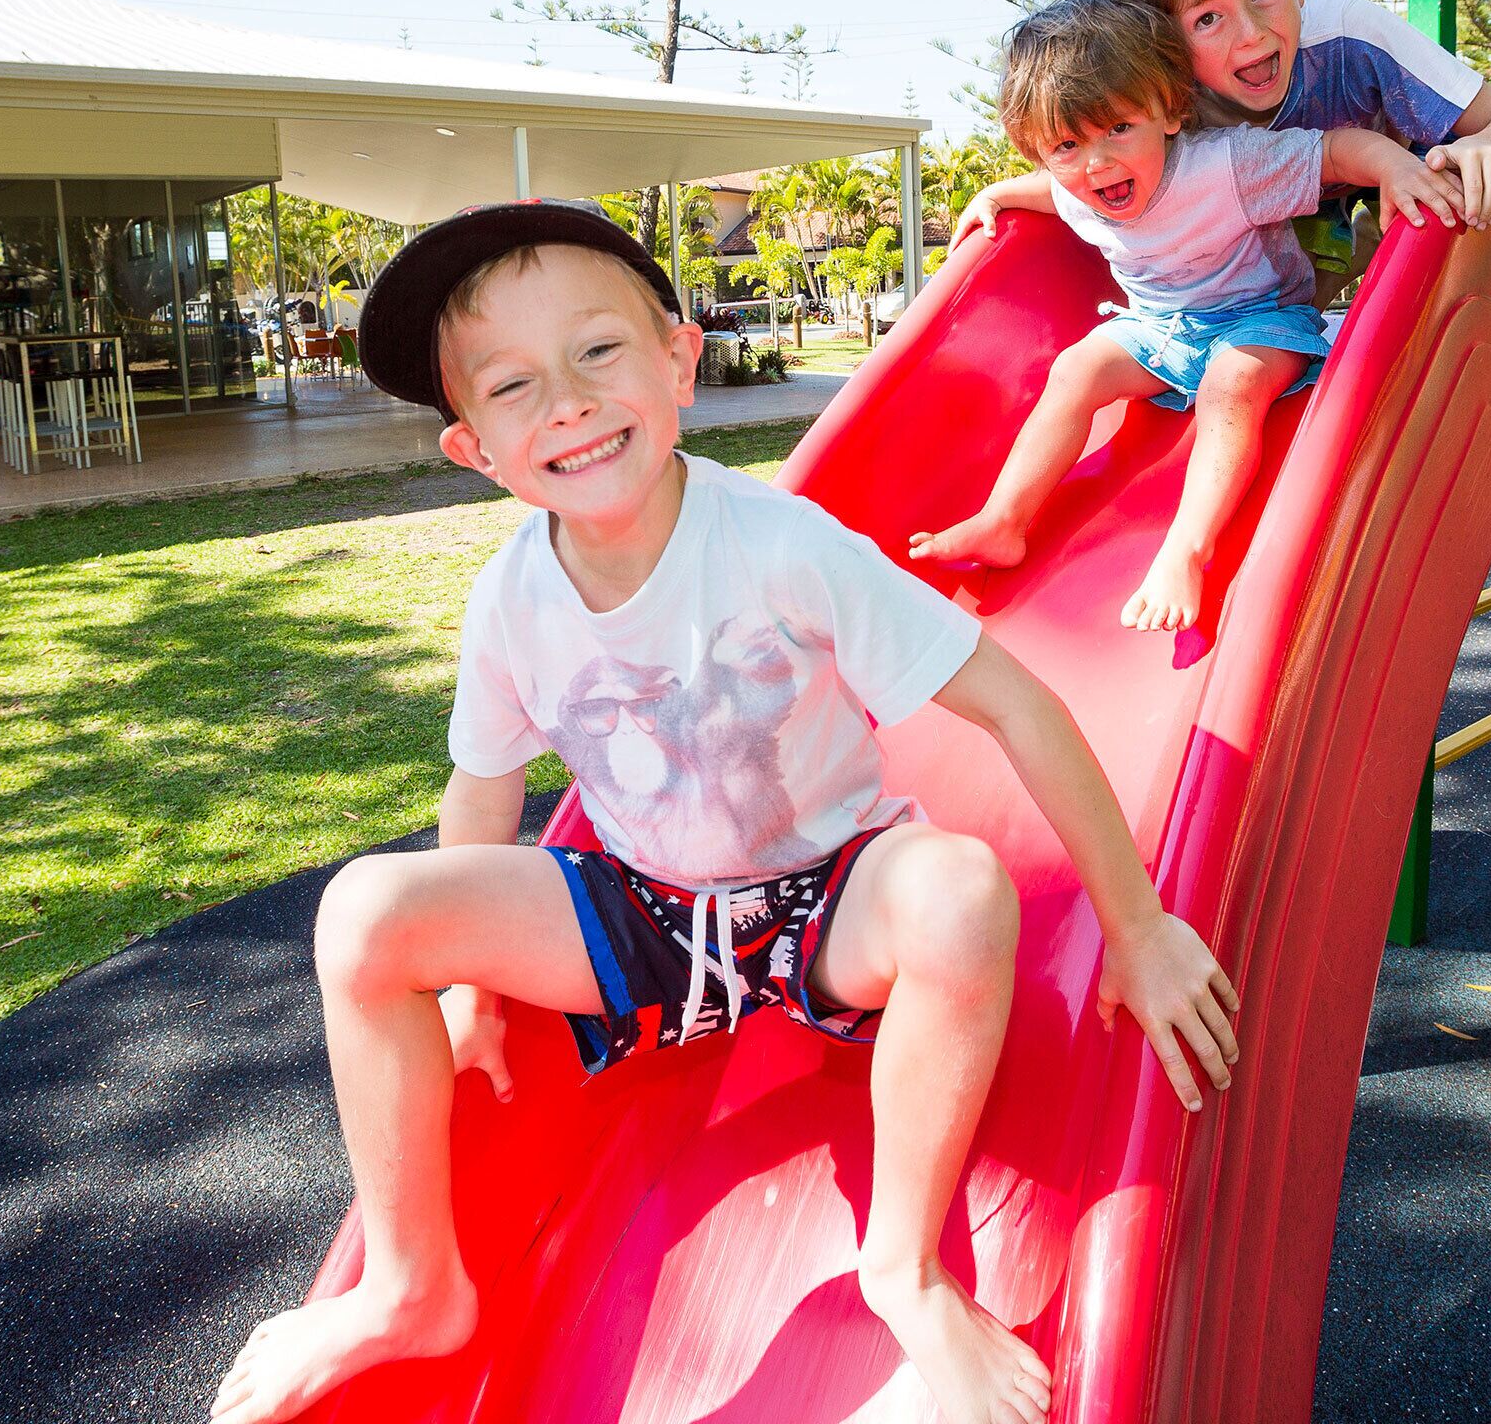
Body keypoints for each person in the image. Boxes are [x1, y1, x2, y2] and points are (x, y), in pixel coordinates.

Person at [209, 200, 1239, 1424]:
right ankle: (413, 1285)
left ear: (681, 360)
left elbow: (1022, 708)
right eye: (514, 385)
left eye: (599, 353)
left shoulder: (784, 544)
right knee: (366, 913)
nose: (570, 405)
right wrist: (474, 995)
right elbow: (481, 793)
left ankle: (905, 1270)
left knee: (958, 888)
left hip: (823, 899)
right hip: (644, 918)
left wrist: (1137, 925)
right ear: (475, 449)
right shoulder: (510, 604)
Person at [910, 0, 1464, 634]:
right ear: (1037, 150)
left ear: (1170, 112)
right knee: (1073, 371)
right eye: (1066, 145)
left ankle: (1186, 551)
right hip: (1158, 329)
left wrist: (1395, 166)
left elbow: (1336, 151)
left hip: (1261, 319)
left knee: (1230, 389)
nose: (1099, 164)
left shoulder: (1225, 166)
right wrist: (993, 194)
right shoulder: (1077, 189)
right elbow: (1049, 192)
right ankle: (1004, 520)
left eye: (1120, 128)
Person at [1105, 0, 1491, 303]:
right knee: (1294, 309)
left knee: (1448, 218)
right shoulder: (1161, 98)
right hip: (1294, 197)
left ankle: (1378, 236)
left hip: (1403, 162)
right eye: (1207, 18)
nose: (1250, 34)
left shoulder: (1351, 35)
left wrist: (1488, 145)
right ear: (1163, 41)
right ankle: (1356, 251)